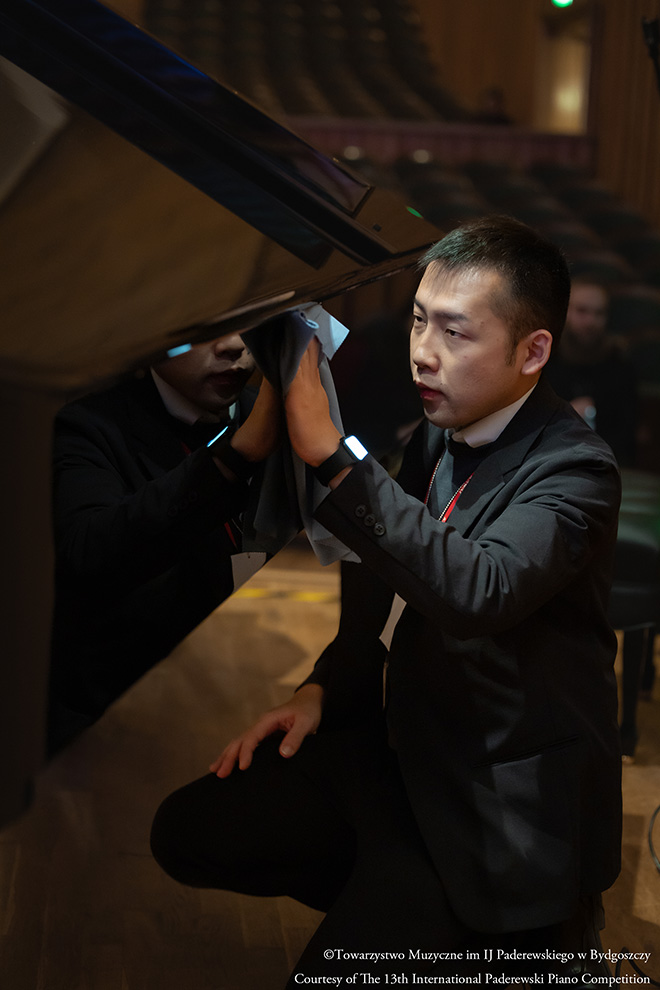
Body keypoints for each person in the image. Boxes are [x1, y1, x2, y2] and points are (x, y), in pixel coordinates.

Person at [151, 217, 622, 986]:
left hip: (493, 805)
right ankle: (416, 918)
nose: (423, 352)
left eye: (455, 332)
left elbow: (477, 589)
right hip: (406, 750)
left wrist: (332, 455)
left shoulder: (578, 470)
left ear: (532, 351)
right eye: (418, 320)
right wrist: (326, 686)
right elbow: (383, 566)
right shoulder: (445, 424)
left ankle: (511, 939)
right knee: (190, 830)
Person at [49, 333, 279, 753]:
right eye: (210, 327)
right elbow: (88, 553)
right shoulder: (94, 423)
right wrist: (232, 459)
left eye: (250, 321)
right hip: (124, 716)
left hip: (242, 692)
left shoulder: (261, 410)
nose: (234, 344)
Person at [544, 277, 638, 466]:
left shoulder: (619, 365)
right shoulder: (544, 360)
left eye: (599, 313)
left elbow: (627, 434)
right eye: (582, 311)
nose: (590, 321)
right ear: (565, 311)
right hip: (546, 459)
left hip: (604, 463)